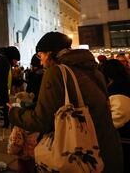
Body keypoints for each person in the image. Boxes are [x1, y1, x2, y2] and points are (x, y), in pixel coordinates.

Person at [8, 32, 123, 173]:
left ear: (49, 53)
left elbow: (42, 120)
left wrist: (14, 113)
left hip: (81, 154)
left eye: (40, 55)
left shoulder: (56, 72)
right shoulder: (93, 70)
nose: (40, 61)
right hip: (108, 148)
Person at [101, 59, 130, 172]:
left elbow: (119, 115)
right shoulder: (123, 84)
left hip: (124, 140)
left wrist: (103, 127)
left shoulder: (118, 89)